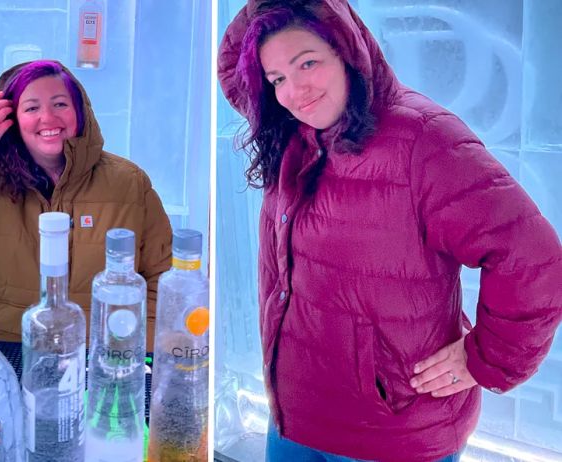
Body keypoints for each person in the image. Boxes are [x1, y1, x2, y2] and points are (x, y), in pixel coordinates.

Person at [218, 1, 562, 461]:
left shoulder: (423, 138)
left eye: (308, 63)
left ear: (346, 52)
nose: (294, 90)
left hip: (393, 436)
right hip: (295, 419)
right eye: (277, 78)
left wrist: (487, 358)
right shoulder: (295, 140)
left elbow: (533, 257)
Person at [0, 60, 172, 350]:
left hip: (99, 359)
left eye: (60, 104)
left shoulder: (129, 182)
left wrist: (130, 348)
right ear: (10, 119)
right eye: (31, 108)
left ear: (80, 112)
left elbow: (162, 279)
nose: (47, 118)